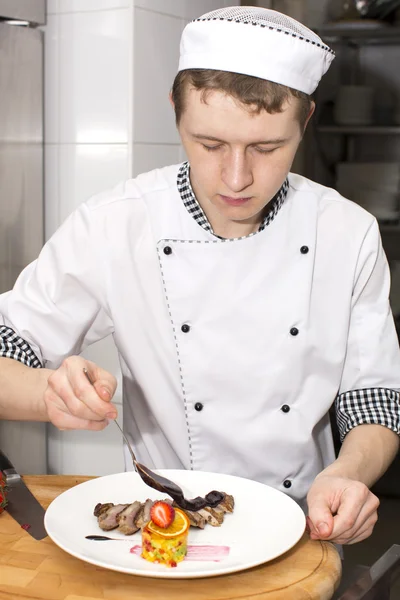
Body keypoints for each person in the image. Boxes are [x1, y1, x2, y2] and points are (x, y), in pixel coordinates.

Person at [0, 6, 399, 548]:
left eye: (267, 147)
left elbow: (372, 397)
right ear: (174, 111)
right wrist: (50, 392)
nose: (237, 177)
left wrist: (348, 474)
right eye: (210, 145)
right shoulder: (119, 222)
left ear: (304, 122)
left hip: (303, 523)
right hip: (166, 530)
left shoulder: (347, 233)